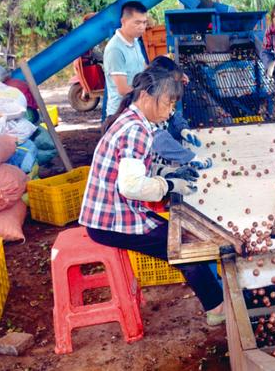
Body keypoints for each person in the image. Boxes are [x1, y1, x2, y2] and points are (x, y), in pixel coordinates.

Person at [79, 69, 226, 326]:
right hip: (109, 221)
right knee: (184, 244)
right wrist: (169, 184)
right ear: (147, 96)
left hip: (113, 212)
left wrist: (170, 171)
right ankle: (217, 308)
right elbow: (131, 186)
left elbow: (138, 168)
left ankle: (215, 294)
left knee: (180, 235)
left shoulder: (133, 120)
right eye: (168, 103)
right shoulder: (136, 130)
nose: (170, 111)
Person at [103, 1, 149, 117]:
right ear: (123, 21)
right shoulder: (115, 49)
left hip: (135, 109)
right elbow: (123, 89)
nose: (142, 27)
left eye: (144, 22)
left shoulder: (135, 41)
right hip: (120, 114)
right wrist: (149, 97)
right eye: (137, 23)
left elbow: (145, 69)